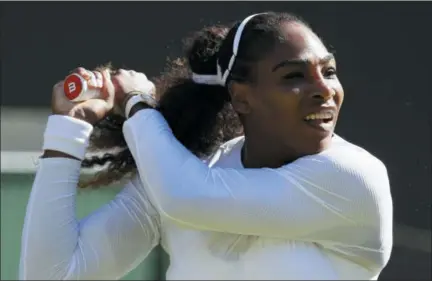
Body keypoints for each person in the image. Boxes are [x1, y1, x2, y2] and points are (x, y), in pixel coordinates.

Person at [19, 12, 393, 280]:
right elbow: (54, 275)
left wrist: (138, 104)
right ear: (241, 97)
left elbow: (188, 197)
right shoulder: (184, 175)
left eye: (329, 71)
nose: (325, 89)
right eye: (294, 76)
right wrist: (69, 129)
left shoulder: (354, 176)